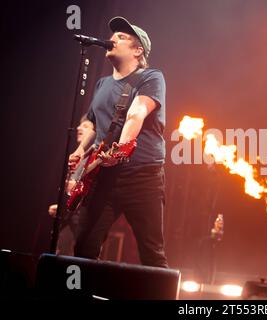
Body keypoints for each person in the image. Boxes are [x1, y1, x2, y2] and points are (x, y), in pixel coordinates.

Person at [68, 16, 168, 268]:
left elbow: (136, 113)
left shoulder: (151, 77)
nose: (113, 38)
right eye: (114, 35)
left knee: (151, 254)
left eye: (122, 37)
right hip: (104, 179)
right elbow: (92, 123)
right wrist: (80, 150)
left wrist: (120, 149)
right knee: (84, 248)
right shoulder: (102, 84)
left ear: (138, 50)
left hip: (142, 177)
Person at [48, 114, 94, 255]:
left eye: (85, 126)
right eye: (80, 125)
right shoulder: (78, 157)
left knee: (80, 260)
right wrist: (62, 208)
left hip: (83, 222)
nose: (79, 128)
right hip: (68, 222)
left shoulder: (94, 154)